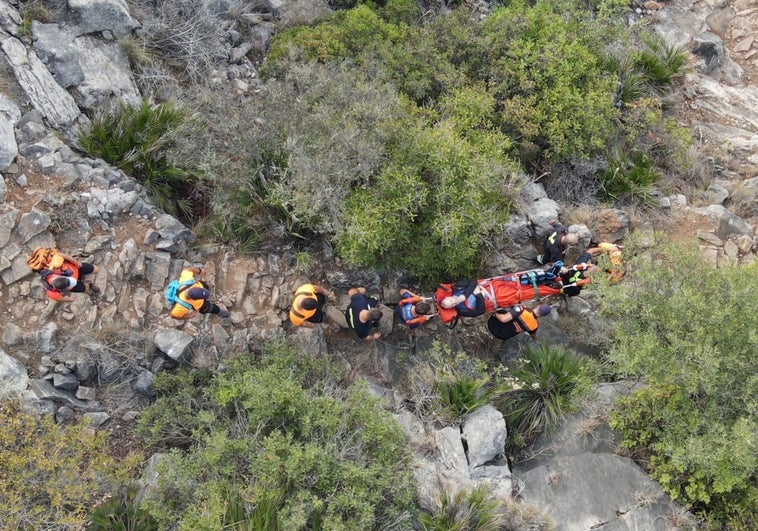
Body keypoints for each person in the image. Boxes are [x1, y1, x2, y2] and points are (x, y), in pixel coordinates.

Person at [487, 304, 551, 341]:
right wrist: (535, 339)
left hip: (492, 325)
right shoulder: (535, 326)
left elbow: (503, 319)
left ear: (538, 306)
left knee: (504, 310)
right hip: (502, 336)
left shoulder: (523, 310)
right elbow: (533, 335)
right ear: (542, 316)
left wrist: (495, 314)